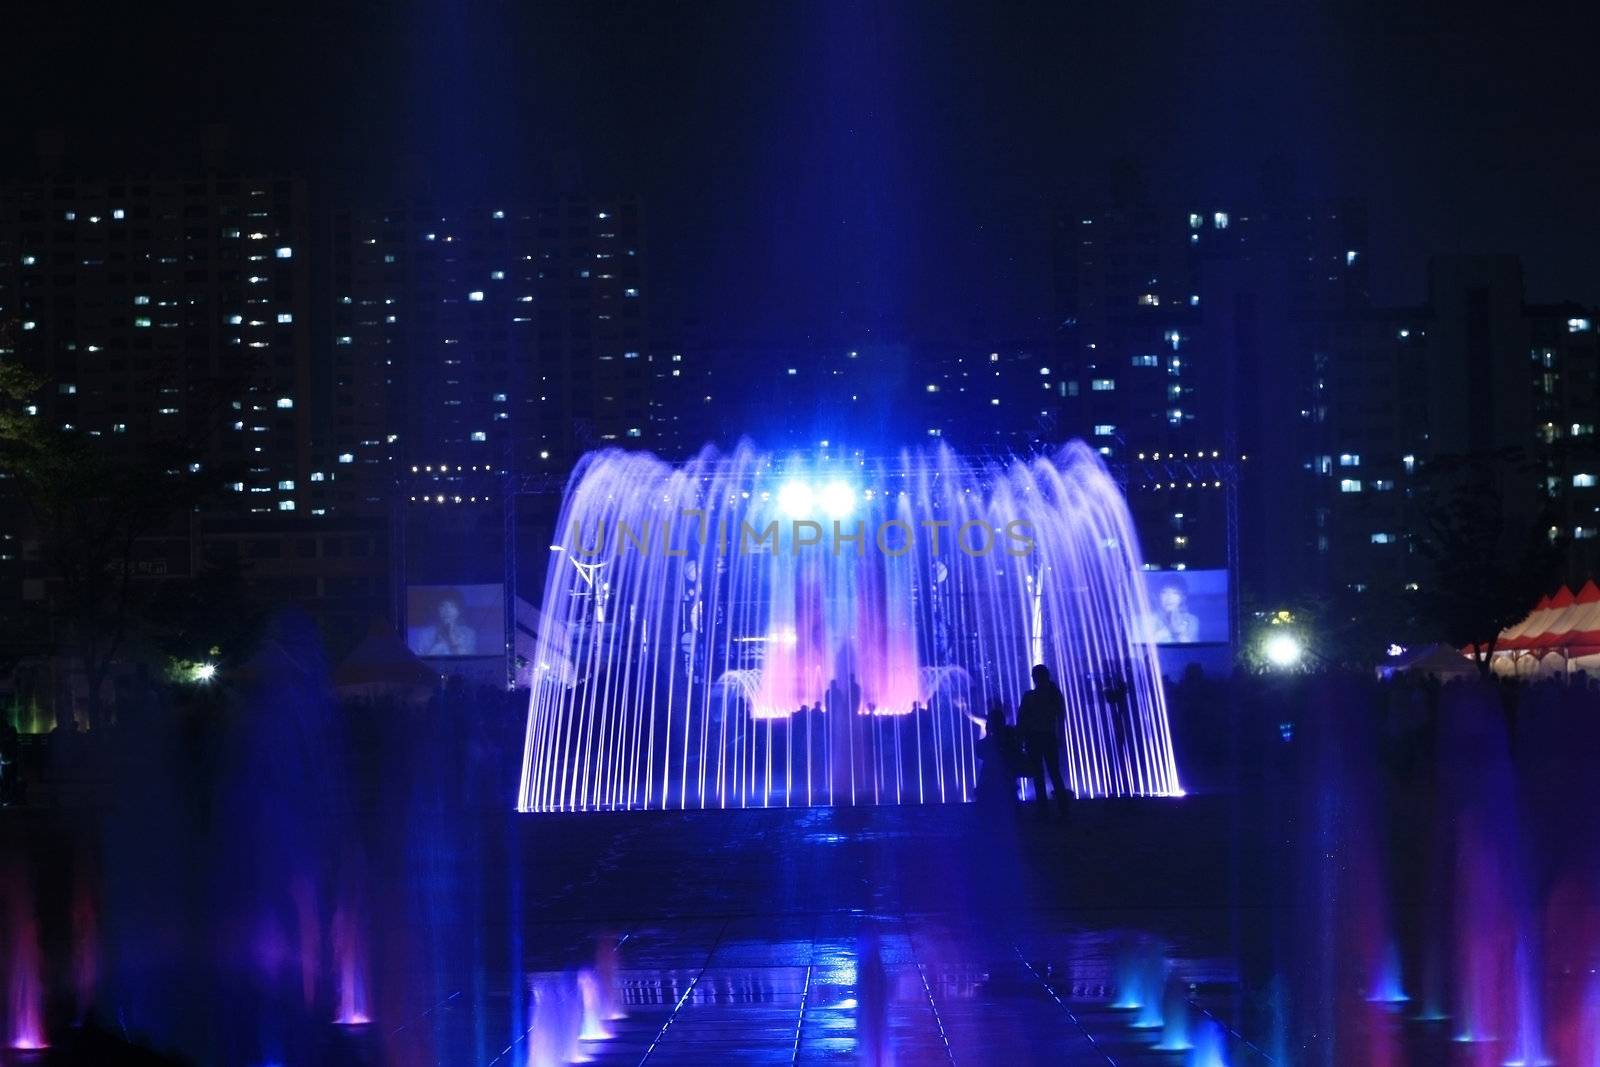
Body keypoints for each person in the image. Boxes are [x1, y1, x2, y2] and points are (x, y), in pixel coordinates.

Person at [1018, 664, 1069, 813]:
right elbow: (1061, 718)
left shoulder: (1029, 696)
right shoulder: (1055, 695)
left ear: (1034, 678)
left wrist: (1020, 738)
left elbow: (1022, 719)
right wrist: (1061, 737)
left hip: (1034, 738)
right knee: (1054, 772)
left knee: (1038, 774)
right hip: (1049, 737)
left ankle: (1043, 809)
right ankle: (1062, 807)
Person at [1147, 574, 1200, 644]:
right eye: (1164, 592)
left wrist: (1180, 634)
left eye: (1175, 593)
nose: (1169, 598)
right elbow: (1144, 648)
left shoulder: (1192, 620)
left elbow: (1193, 650)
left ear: (1183, 597)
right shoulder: (1148, 619)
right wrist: (1168, 630)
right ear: (1158, 595)